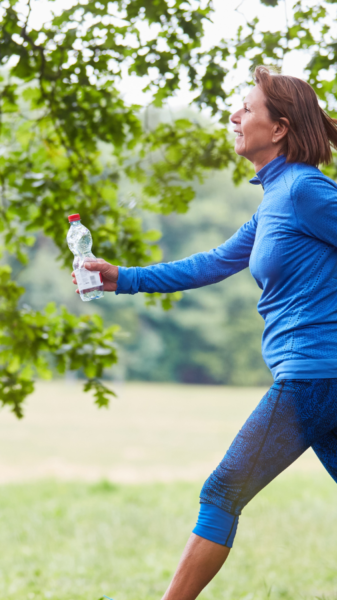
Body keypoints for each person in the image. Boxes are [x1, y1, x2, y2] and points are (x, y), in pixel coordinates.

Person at [72, 65, 337, 599]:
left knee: (222, 492)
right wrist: (120, 278)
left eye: (246, 108)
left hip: (314, 374)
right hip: (320, 378)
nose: (234, 116)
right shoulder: (276, 202)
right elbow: (211, 264)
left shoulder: (307, 191)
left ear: (279, 127)